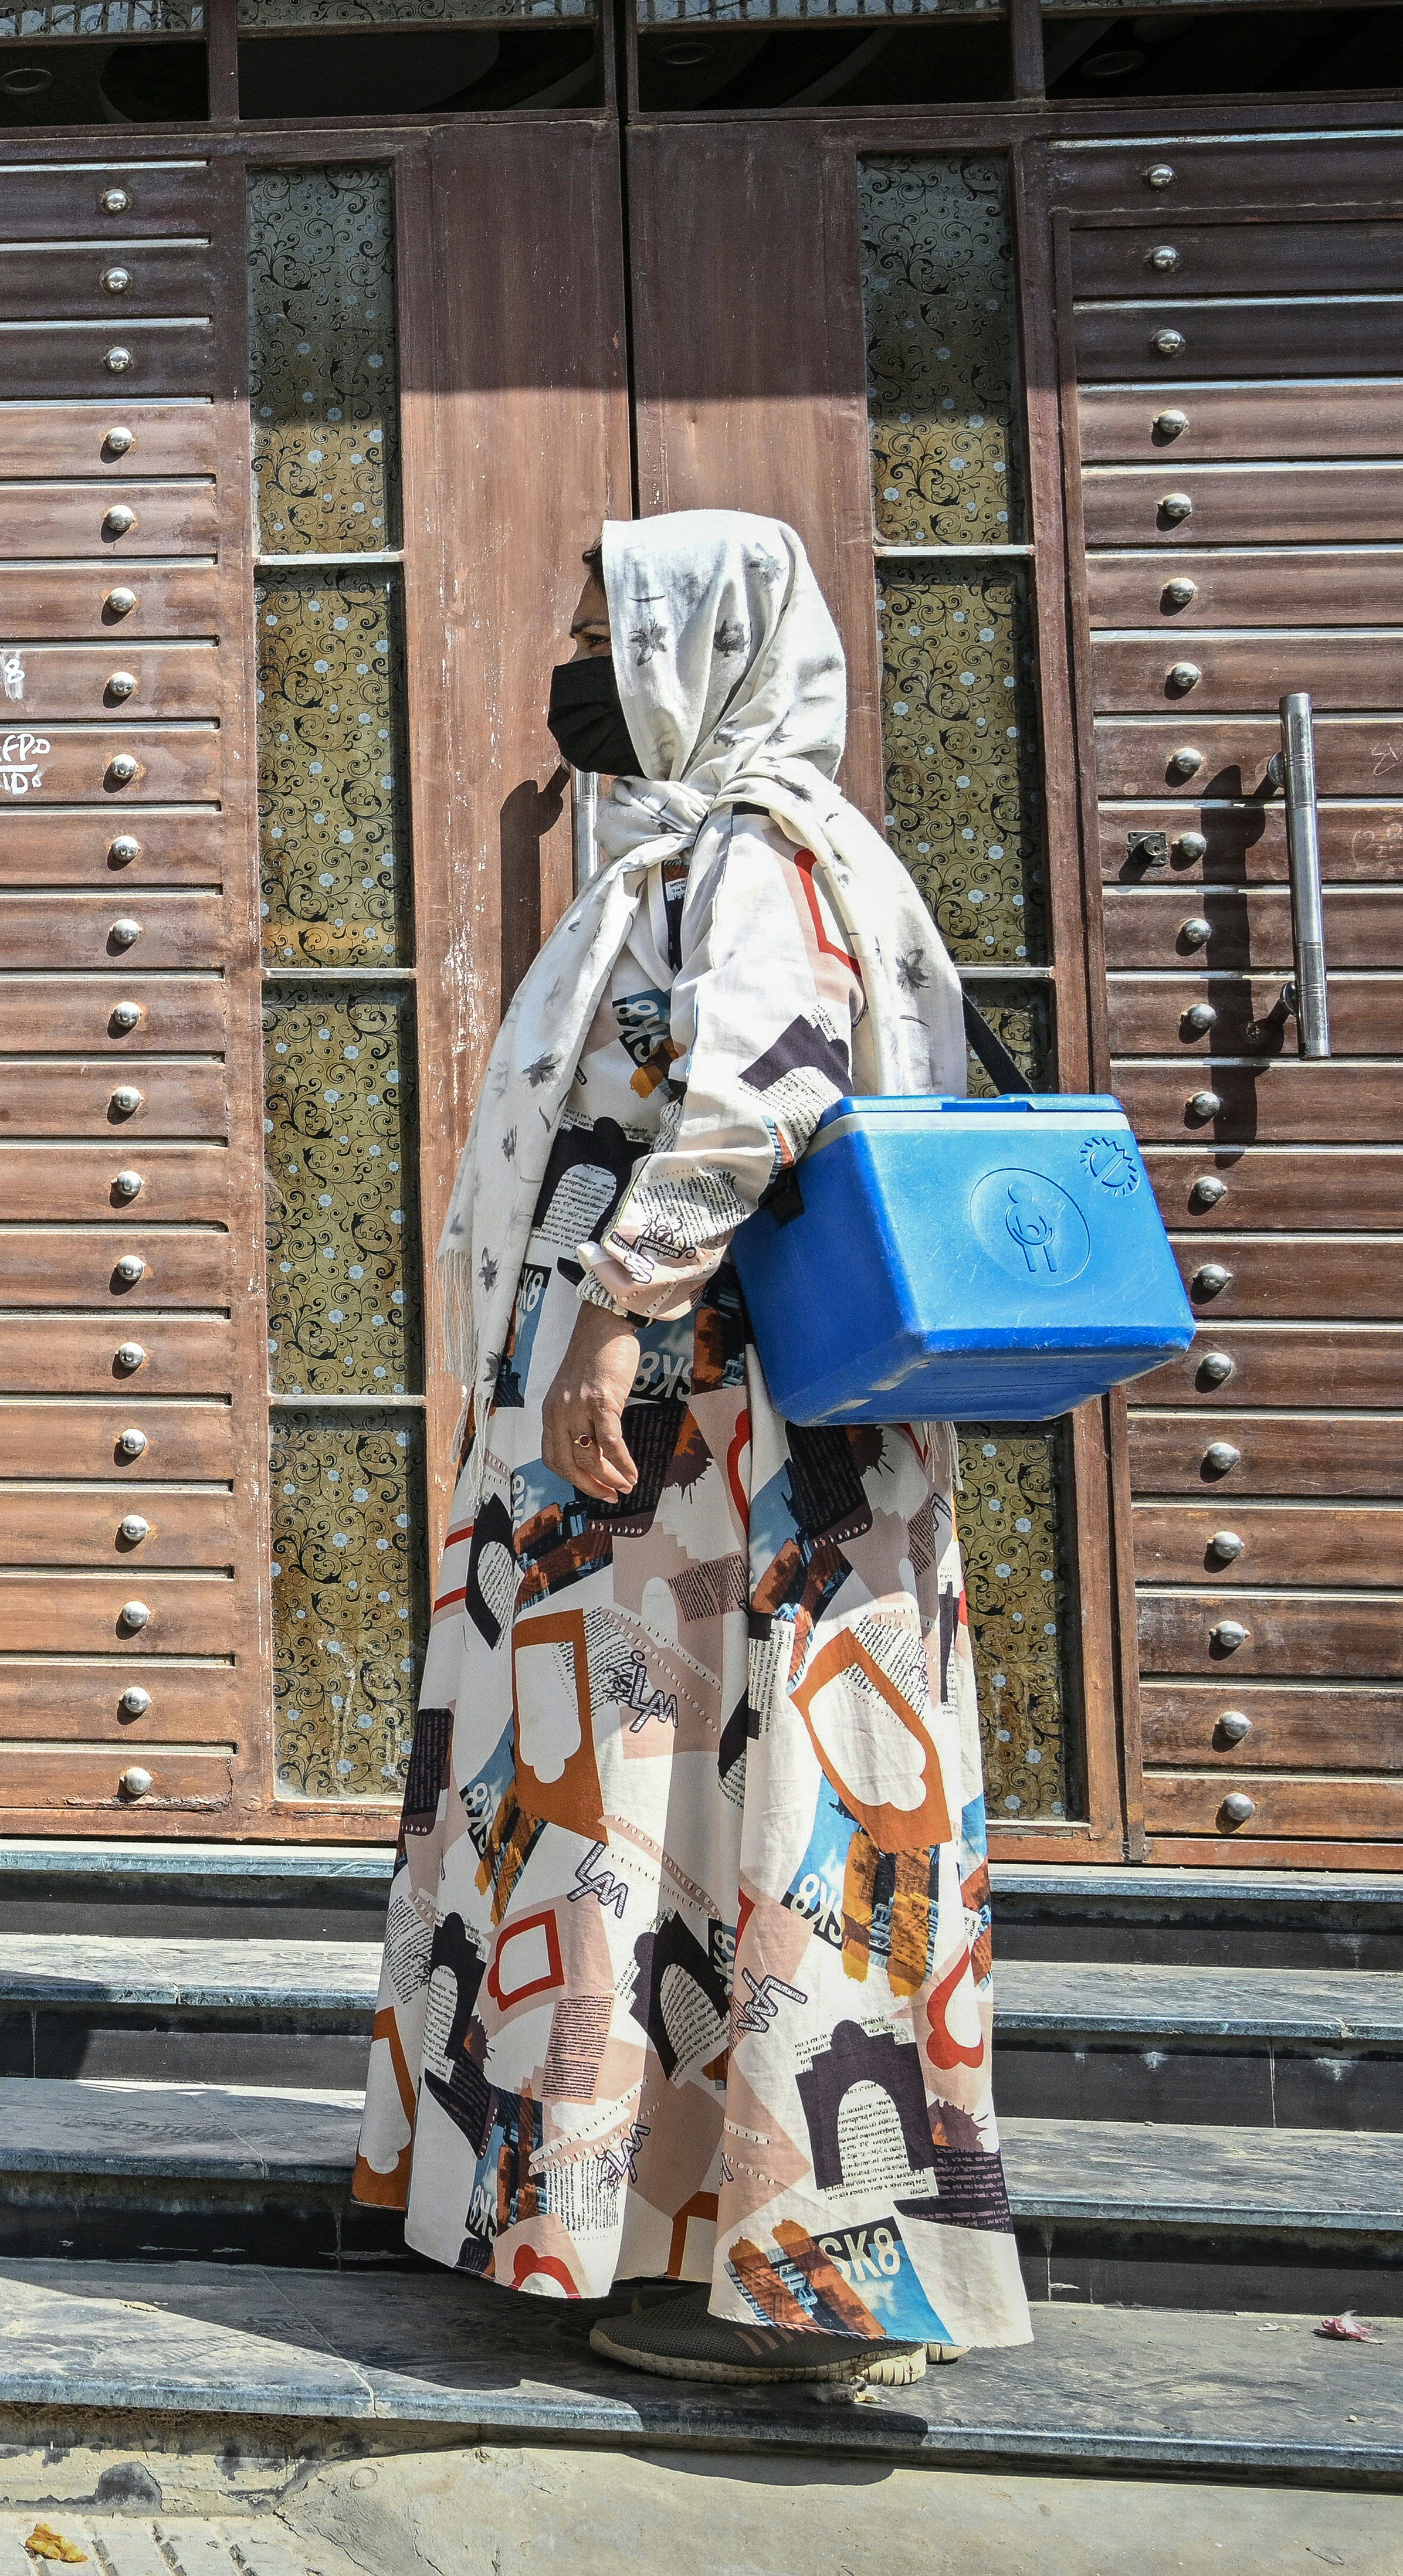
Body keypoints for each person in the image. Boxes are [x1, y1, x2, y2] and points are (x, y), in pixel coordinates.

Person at [357, 510, 1028, 2387]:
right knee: (647, 1822)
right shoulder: (687, 857)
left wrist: (615, 1316)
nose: (576, 665)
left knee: (731, 1817)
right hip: (675, 1477)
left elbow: (755, 1092)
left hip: (718, 1457)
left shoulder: (758, 854)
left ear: (700, 648)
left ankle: (783, 2294)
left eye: (601, 627)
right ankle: (641, 2232)